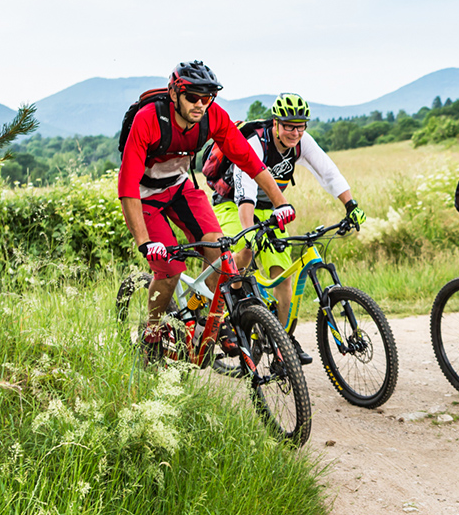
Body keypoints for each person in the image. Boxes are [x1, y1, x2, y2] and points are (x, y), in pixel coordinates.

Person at [117, 61, 295, 356]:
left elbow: (250, 161)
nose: (200, 104)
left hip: (180, 188)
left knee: (219, 251)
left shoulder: (212, 116)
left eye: (207, 97)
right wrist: (145, 243)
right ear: (174, 92)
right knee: (170, 269)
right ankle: (151, 333)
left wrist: (281, 202)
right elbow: (127, 187)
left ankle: (204, 321)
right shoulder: (149, 118)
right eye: (193, 97)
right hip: (143, 195)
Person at [211, 92, 366, 363]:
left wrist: (350, 204)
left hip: (271, 209)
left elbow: (328, 172)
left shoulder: (301, 142)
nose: (295, 132)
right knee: (244, 254)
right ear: (275, 123)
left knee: (282, 277)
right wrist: (249, 233)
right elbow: (245, 191)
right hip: (232, 203)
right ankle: (224, 311)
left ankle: (280, 339)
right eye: (288, 126)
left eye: (300, 126)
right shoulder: (255, 142)